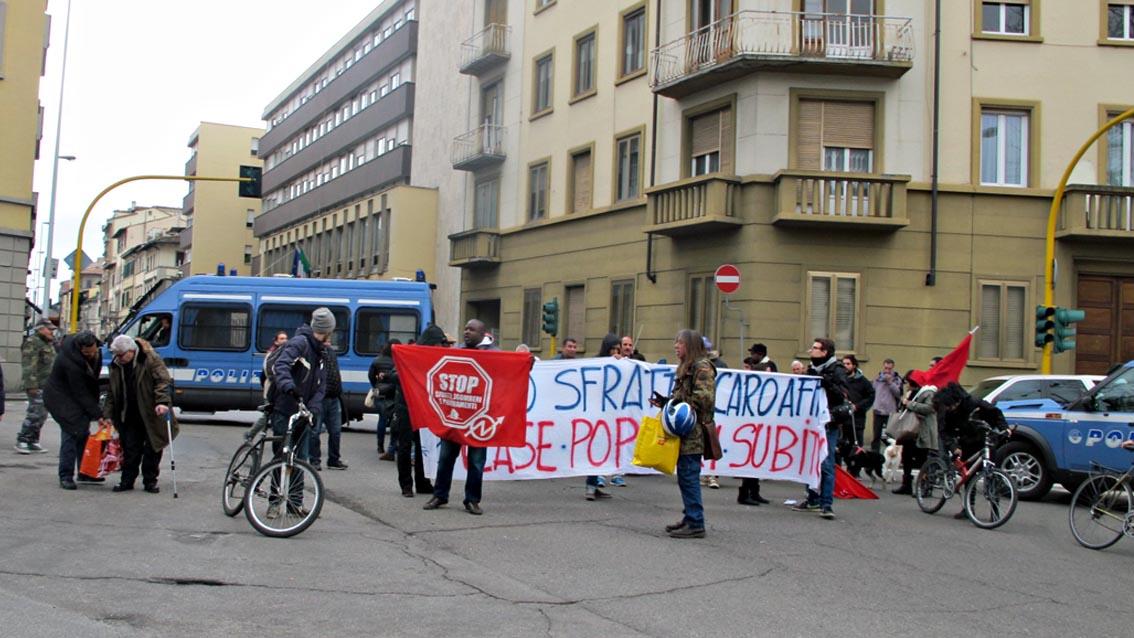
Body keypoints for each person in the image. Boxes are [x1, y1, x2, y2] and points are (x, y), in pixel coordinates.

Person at [424, 319, 498, 515]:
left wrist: (527, 363)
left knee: (476, 462)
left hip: (479, 420)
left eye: (472, 329)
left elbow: (509, 372)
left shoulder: (494, 355)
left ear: (483, 334)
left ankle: (472, 499)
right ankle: (440, 494)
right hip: (455, 418)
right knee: (446, 458)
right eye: (465, 328)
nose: (467, 332)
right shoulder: (455, 352)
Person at [267, 308, 332, 517]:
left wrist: (314, 407)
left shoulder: (321, 351)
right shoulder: (300, 343)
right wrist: (289, 387)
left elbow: (321, 385)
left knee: (301, 458)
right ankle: (275, 502)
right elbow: (281, 366)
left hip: (303, 411)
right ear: (326, 330)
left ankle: (295, 503)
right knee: (281, 456)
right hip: (285, 407)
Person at [653, 329, 716, 539]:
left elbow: (704, 399)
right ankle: (689, 516)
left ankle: (696, 522)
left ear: (689, 345)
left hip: (693, 433)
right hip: (684, 433)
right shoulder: (687, 368)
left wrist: (678, 406)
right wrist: (665, 403)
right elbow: (681, 397)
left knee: (689, 477)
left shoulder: (702, 367)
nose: (676, 347)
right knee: (685, 477)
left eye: (679, 343)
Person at [103, 335, 178, 493]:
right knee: (130, 449)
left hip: (151, 412)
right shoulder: (116, 365)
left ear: (131, 351)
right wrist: (107, 414)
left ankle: (150, 481)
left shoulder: (150, 359)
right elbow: (112, 392)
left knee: (153, 448)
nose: (118, 358)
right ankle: (127, 480)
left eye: (120, 355)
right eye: (116, 354)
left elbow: (162, 381)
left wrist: (162, 402)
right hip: (129, 413)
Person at [792, 337, 849, 520]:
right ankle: (812, 498)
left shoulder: (837, 371)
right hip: (811, 422)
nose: (811, 351)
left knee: (826, 462)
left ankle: (826, 504)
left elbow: (842, 394)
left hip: (828, 423)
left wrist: (826, 383)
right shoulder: (812, 370)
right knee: (810, 459)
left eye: (815, 348)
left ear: (825, 352)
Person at [934, 382, 1010, 518]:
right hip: (967, 442)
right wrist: (954, 447)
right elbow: (945, 432)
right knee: (969, 476)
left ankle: (995, 511)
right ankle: (969, 508)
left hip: (985, 439)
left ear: (957, 400)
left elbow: (996, 413)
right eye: (948, 407)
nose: (950, 408)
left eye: (952, 405)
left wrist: (1004, 428)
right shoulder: (949, 412)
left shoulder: (975, 403)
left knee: (991, 476)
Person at [43, 331, 103, 490]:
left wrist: (94, 410)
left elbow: (91, 381)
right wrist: (97, 414)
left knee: (83, 433)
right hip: (60, 397)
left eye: (92, 351)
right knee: (71, 433)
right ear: (79, 349)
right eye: (86, 352)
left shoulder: (97, 352)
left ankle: (85, 471)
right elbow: (80, 391)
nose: (90, 354)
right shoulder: (69, 361)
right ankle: (66, 475)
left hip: (76, 396)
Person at [384, 329, 439, 498]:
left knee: (424, 448)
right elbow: (393, 375)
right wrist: (411, 374)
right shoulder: (409, 353)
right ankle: (406, 485)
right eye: (437, 343)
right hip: (406, 408)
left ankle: (423, 483)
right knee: (405, 447)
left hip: (422, 409)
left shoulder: (432, 356)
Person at [891, 370, 939, 496]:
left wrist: (910, 404)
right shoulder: (911, 392)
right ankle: (906, 484)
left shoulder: (928, 392)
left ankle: (925, 486)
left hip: (922, 429)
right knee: (906, 456)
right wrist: (904, 402)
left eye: (908, 383)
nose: (907, 386)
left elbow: (929, 408)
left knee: (923, 458)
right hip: (910, 429)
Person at [738, 346, 775, 506]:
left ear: (760, 355)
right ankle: (746, 493)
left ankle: (753, 491)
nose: (751, 356)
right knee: (752, 457)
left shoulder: (766, 367)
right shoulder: (760, 366)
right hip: (754, 419)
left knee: (756, 457)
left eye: (754, 353)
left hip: (760, 418)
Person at [16, 319, 55, 454]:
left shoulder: (48, 344)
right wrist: (31, 385)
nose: (52, 332)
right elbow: (29, 366)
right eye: (49, 329)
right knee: (35, 412)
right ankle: (23, 439)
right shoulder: (33, 343)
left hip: (46, 385)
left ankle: (33, 440)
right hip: (36, 384)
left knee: (42, 414)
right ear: (40, 329)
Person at [308, 336, 347, 471]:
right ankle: (314, 460)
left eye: (330, 339)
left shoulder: (331, 352)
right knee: (315, 431)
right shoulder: (314, 352)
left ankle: (334, 459)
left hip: (334, 397)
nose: (328, 342)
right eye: (326, 340)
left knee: (336, 430)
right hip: (319, 398)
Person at [840, 354, 875, 471]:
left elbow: (870, 397)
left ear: (854, 366)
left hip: (857, 419)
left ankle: (855, 470)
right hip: (842, 418)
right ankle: (843, 468)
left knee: (856, 446)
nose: (845, 366)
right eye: (844, 363)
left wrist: (858, 406)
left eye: (848, 364)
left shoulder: (863, 381)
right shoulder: (840, 379)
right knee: (841, 445)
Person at [368, 338, 400, 459]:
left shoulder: (377, 361)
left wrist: (376, 386)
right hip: (392, 394)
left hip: (379, 393)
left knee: (382, 419)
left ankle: (380, 446)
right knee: (394, 421)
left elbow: (371, 376)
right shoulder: (396, 361)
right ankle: (393, 445)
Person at [701, 336, 726, 490]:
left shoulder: (719, 365)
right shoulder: (694, 365)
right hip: (705, 412)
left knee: (713, 443)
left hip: (716, 411)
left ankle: (713, 475)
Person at [870, 358, 902, 453]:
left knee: (890, 436)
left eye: (889, 368)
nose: (887, 370)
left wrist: (890, 382)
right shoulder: (878, 379)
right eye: (886, 368)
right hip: (878, 410)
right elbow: (872, 390)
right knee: (876, 436)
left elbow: (898, 394)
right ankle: (874, 455)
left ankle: (892, 453)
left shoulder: (896, 379)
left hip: (890, 412)